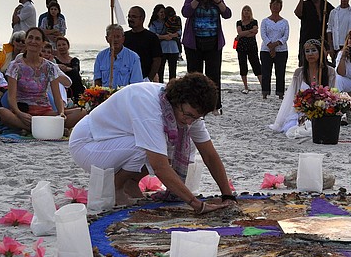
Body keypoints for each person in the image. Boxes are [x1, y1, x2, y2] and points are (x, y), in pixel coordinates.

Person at [69, 73, 236, 210]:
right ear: (177, 100)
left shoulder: (185, 110)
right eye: (188, 115)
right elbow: (159, 166)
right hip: (88, 144)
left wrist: (227, 195)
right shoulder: (149, 106)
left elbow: (209, 154)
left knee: (174, 141)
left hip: (115, 142)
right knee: (151, 146)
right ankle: (116, 186)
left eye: (196, 117)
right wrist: (196, 204)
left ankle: (131, 182)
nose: (190, 121)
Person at [0, 27, 85, 133]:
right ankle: (42, 128)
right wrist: (19, 113)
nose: (33, 41)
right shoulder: (15, 66)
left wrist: (61, 113)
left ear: (43, 43)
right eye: (30, 38)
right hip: (24, 112)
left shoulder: (50, 67)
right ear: (26, 41)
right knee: (0, 112)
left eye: (37, 39)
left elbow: (58, 97)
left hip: (45, 113)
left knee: (82, 112)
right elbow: (11, 97)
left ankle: (34, 128)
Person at [181, 0, 232, 110]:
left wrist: (217, 0)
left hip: (213, 43)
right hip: (194, 43)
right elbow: (186, 12)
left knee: (214, 76)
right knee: (194, 76)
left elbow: (227, 14)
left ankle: (214, 105)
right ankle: (193, 104)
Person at [268, 39, 335, 135]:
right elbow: (294, 96)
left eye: (313, 50)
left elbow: (332, 94)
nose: (310, 54)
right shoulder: (299, 72)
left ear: (320, 52)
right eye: (307, 51)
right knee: (295, 128)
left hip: (323, 109)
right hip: (302, 109)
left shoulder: (330, 72)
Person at [93, 24, 143, 88]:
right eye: (112, 37)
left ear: (123, 39)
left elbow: (136, 84)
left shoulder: (133, 58)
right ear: (107, 39)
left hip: (125, 95)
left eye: (118, 37)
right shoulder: (100, 57)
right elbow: (97, 81)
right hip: (106, 95)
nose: (115, 40)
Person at [294, 0, 333, 65]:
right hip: (306, 38)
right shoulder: (305, 4)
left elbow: (335, 16)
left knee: (321, 63)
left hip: (322, 39)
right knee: (304, 63)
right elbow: (298, 13)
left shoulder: (326, 5)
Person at [260, 0, 290, 99]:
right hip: (266, 49)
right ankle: (265, 93)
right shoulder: (265, 21)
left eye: (278, 5)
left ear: (281, 7)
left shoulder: (285, 22)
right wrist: (270, 46)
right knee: (266, 72)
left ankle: (280, 93)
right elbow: (263, 34)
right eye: (274, 5)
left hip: (281, 50)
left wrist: (276, 44)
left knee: (280, 72)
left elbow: (285, 36)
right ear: (270, 6)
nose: (275, 7)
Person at [124, 6, 162, 82]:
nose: (130, 19)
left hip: (144, 78)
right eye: (129, 16)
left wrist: (149, 78)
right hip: (126, 78)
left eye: (134, 17)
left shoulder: (151, 37)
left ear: (142, 19)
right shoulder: (124, 37)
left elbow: (157, 60)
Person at [148, 4, 180, 83]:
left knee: (173, 71)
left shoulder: (172, 20)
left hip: (173, 49)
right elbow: (153, 35)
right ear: (157, 13)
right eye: (161, 12)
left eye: (164, 12)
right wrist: (164, 37)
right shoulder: (154, 23)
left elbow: (179, 32)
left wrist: (171, 35)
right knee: (160, 71)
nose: (163, 14)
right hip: (161, 49)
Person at [234, 5, 261, 94]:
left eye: (248, 10)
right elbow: (240, 33)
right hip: (241, 47)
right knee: (243, 65)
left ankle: (263, 85)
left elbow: (255, 32)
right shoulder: (239, 22)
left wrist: (244, 34)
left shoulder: (254, 21)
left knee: (256, 65)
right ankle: (245, 86)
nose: (246, 12)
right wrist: (250, 31)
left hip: (252, 46)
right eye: (244, 10)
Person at [54, 36, 83, 103]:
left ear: (68, 46)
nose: (61, 47)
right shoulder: (54, 61)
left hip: (77, 89)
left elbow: (75, 70)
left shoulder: (75, 60)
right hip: (62, 91)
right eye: (59, 45)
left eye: (64, 44)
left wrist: (66, 68)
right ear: (56, 48)